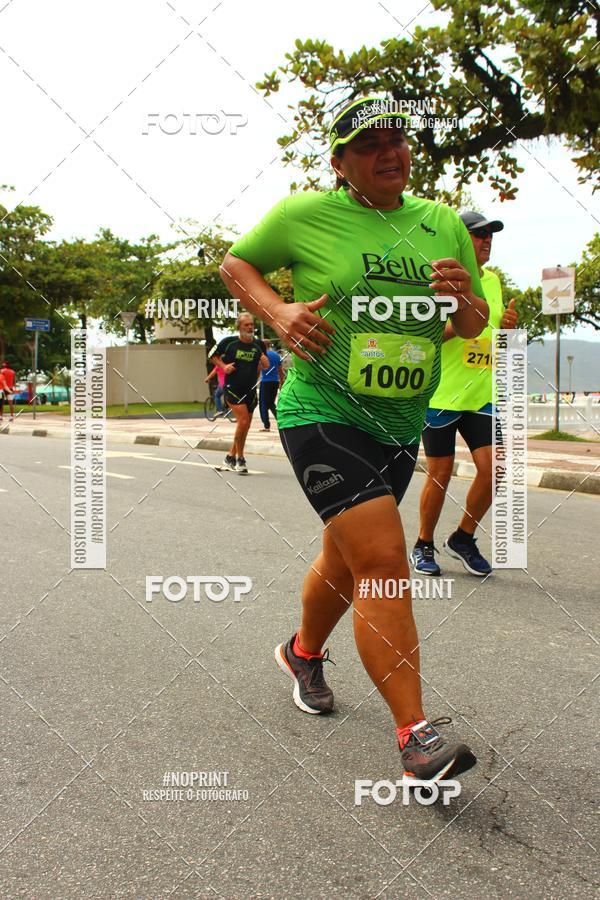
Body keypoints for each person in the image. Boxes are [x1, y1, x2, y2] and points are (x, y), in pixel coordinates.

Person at [220, 96, 489, 784]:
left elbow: (469, 324)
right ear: (340, 163)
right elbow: (235, 266)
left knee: (345, 564)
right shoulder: (303, 215)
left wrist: (463, 297)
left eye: (398, 139)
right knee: (382, 559)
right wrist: (277, 311)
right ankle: (416, 738)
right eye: (369, 144)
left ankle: (303, 652)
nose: (390, 152)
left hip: (398, 425)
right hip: (321, 412)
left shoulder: (438, 223)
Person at [410, 211, 519, 578]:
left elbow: (493, 340)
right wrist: (464, 323)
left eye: (490, 235)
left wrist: (505, 329)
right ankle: (424, 543)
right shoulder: (441, 280)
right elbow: (426, 337)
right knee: (440, 472)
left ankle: (463, 537)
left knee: (496, 469)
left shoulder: (493, 281)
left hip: (481, 395)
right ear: (460, 239)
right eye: (478, 235)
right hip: (442, 393)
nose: (486, 241)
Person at [210, 313, 269, 474]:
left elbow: (262, 364)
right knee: (242, 422)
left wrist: (263, 365)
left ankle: (230, 457)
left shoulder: (259, 344)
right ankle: (240, 459)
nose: (250, 327)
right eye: (246, 325)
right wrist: (223, 366)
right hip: (233, 387)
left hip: (250, 389)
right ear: (239, 327)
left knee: (246, 426)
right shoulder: (229, 343)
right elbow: (212, 355)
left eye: (251, 324)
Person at [259, 340, 285, 431]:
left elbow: (258, 368)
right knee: (270, 403)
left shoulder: (262, 356)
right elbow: (280, 371)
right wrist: (282, 383)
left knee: (263, 404)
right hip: (275, 382)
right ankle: (282, 420)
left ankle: (266, 426)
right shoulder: (276, 356)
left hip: (265, 382)